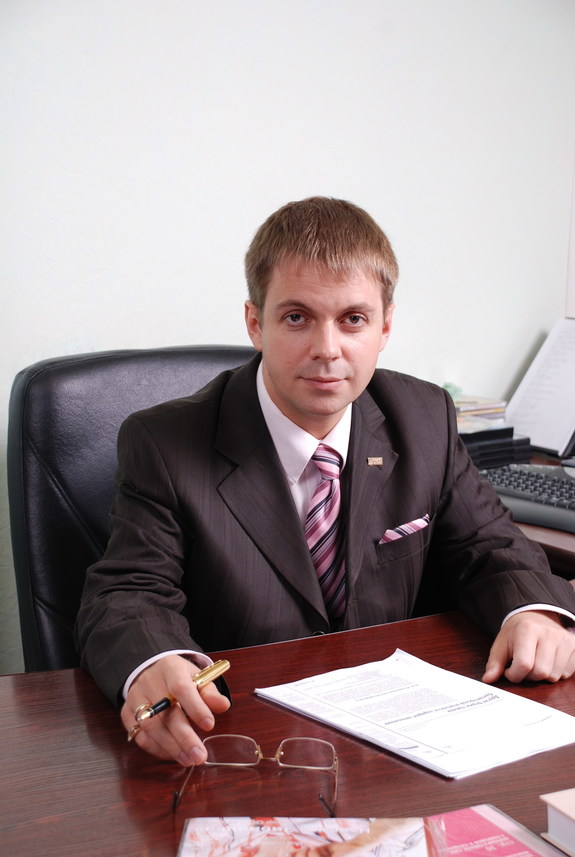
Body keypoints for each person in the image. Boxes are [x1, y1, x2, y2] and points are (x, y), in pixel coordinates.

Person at [76, 196, 575, 770]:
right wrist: (155, 661)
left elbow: (489, 546)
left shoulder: (424, 417)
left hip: (396, 745)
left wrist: (533, 612)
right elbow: (128, 592)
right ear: (255, 323)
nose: (327, 350)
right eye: (296, 317)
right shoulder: (165, 442)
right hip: (244, 744)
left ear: (385, 327)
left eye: (353, 319)